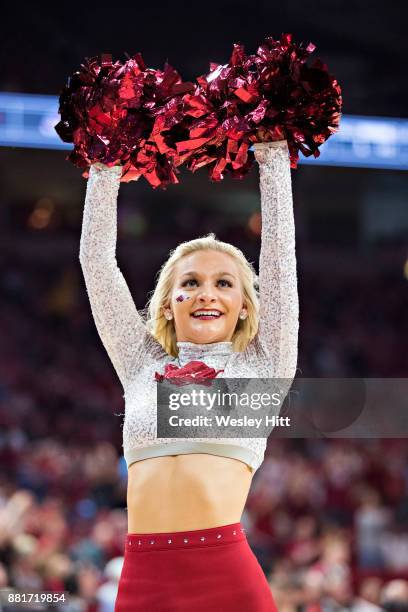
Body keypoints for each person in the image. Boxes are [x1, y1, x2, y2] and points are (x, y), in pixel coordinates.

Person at [78, 140, 299, 611]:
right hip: (142, 580)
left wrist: (273, 156)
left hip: (228, 578)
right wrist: (104, 162)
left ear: (244, 307)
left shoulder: (264, 365)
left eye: (224, 283)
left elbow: (280, 261)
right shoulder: (140, 362)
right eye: (190, 283)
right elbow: (96, 264)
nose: (206, 294)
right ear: (166, 302)